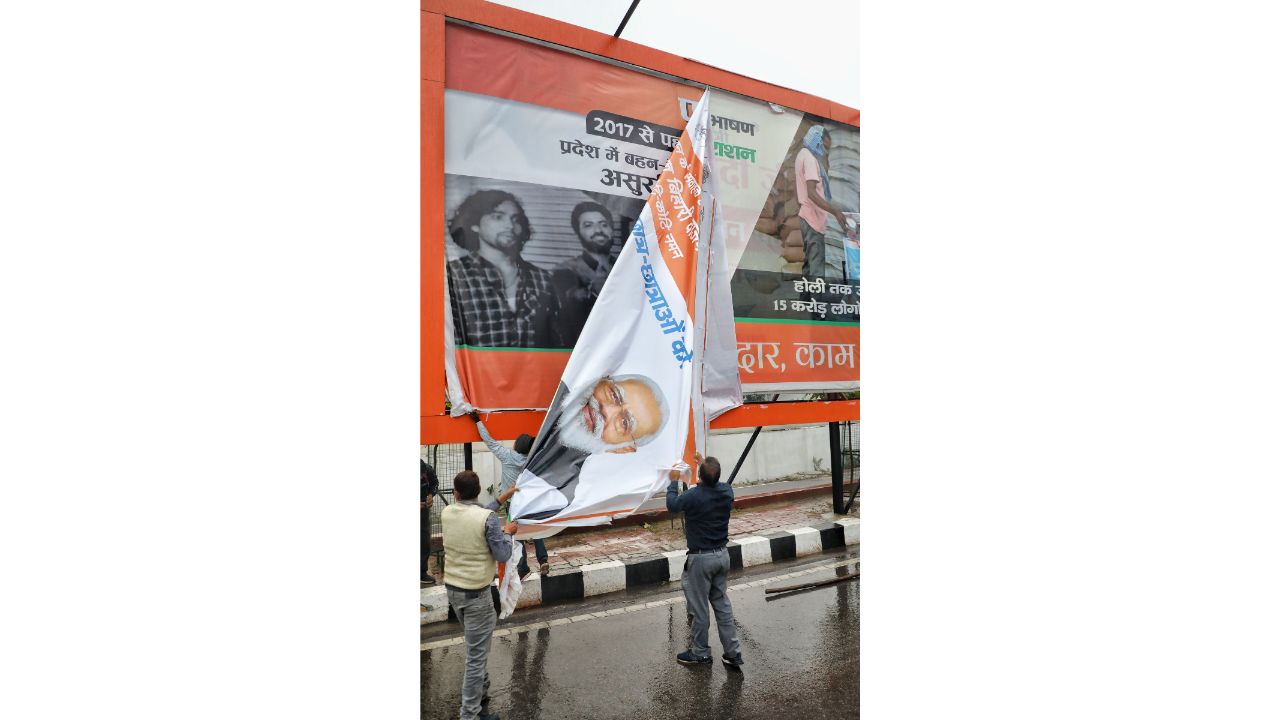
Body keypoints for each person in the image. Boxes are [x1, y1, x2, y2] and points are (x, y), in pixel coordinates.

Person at [513, 374, 670, 521]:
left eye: (624, 423)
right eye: (614, 395)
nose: (606, 411)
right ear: (604, 379)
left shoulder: (564, 498)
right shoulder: (565, 381)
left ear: (623, 449)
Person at [442, 470, 520, 720]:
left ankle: (481, 693)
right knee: (476, 658)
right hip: (477, 595)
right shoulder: (487, 519)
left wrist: (501, 498)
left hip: (453, 591)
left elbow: (475, 514)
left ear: (455, 493)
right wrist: (507, 532)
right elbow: (502, 554)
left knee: (476, 647)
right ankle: (470, 714)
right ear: (478, 491)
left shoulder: (448, 513)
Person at [448, 189, 564, 348]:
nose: (510, 225)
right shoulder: (453, 275)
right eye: (498, 217)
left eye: (516, 220)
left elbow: (557, 344)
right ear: (475, 224)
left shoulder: (542, 279)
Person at [665, 453, 744, 669]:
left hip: (701, 559)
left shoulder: (693, 497)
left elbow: (672, 504)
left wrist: (673, 479)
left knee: (699, 609)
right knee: (722, 605)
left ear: (699, 476)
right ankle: (733, 653)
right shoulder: (727, 491)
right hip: (722, 556)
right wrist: (703, 465)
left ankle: (700, 653)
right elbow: (711, 479)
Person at [468, 411, 549, 577]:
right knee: (534, 530)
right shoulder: (531, 459)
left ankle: (523, 566)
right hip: (530, 501)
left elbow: (490, 441)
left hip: (512, 502)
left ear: (516, 445)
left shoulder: (507, 456)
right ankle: (543, 560)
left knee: (515, 531)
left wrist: (478, 421)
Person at [551, 201, 616, 345]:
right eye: (588, 225)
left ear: (612, 230)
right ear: (578, 232)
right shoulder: (564, 272)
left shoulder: (627, 267)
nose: (598, 230)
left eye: (604, 224)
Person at [794, 125, 851, 278]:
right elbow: (812, 193)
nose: (825, 152)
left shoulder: (802, 154)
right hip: (813, 220)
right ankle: (816, 301)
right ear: (817, 141)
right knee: (816, 268)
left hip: (807, 216)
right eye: (825, 147)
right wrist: (835, 212)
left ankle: (806, 301)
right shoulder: (810, 160)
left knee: (808, 266)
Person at [421, 461, 439, 585]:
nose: (422, 478)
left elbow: (435, 484)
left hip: (423, 509)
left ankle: (422, 572)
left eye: (423, 475)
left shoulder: (428, 470)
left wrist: (431, 495)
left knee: (424, 539)